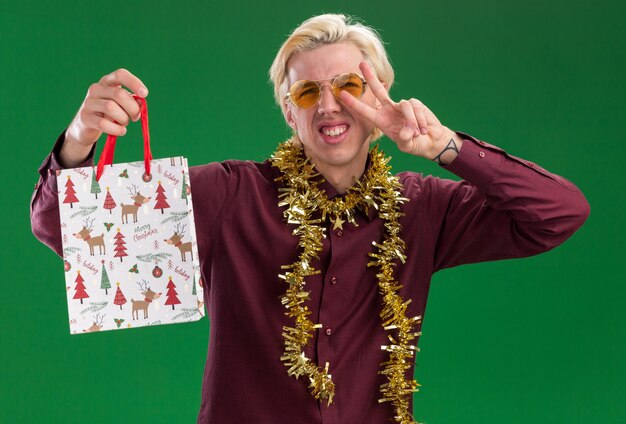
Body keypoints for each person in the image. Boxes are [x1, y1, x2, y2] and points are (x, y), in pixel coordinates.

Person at [31, 13, 589, 424]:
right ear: (288, 111)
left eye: (349, 86)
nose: (328, 105)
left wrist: (447, 148)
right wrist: (80, 139)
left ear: (381, 97)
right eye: (307, 91)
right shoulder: (231, 195)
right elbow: (66, 230)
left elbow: (559, 213)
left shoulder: (423, 207)